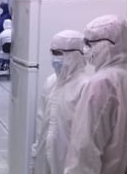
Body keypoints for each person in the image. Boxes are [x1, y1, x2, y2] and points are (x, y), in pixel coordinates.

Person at [64, 15, 127, 174]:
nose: (86, 50)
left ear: (107, 45)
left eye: (89, 44)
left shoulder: (100, 83)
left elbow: (84, 149)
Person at [31, 30, 89, 174]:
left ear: (75, 55)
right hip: (44, 156)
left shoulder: (86, 86)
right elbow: (41, 121)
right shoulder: (51, 82)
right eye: (53, 52)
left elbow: (86, 135)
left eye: (59, 53)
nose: (54, 58)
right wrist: (36, 152)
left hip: (70, 160)